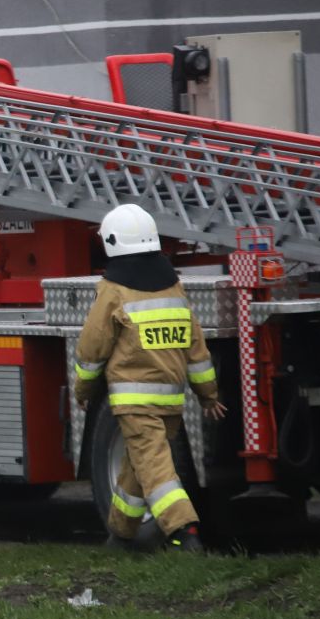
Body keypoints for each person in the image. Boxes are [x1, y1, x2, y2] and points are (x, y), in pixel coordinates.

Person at [73, 203, 227, 553]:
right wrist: (208, 395)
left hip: (133, 401)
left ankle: (184, 531)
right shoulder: (174, 289)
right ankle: (121, 535)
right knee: (137, 465)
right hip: (171, 400)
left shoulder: (113, 290)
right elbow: (196, 348)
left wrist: (82, 388)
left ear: (111, 242)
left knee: (154, 468)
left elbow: (93, 346)